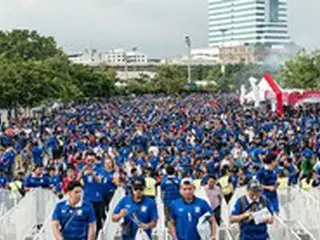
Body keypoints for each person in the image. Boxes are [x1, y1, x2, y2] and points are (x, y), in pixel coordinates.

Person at [77, 152, 104, 233]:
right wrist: (82, 171)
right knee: (86, 220)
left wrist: (92, 173)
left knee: (97, 221)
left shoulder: (99, 169)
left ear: (95, 160)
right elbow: (77, 181)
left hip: (97, 199)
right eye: (88, 160)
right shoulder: (83, 169)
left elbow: (99, 180)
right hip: (87, 199)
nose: (90, 163)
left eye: (92, 160)